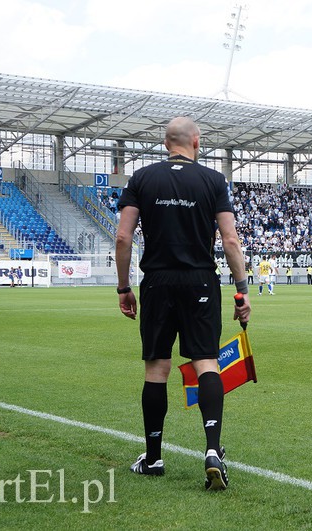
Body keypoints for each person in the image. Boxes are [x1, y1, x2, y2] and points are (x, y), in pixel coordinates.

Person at [115, 116, 250, 491]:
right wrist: (241, 291)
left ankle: (154, 457)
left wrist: (123, 287)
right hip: (200, 281)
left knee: (157, 367)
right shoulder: (212, 180)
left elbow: (123, 237)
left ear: (165, 143)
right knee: (206, 361)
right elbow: (230, 239)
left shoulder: (142, 178)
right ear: (196, 141)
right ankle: (211, 451)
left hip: (156, 281)